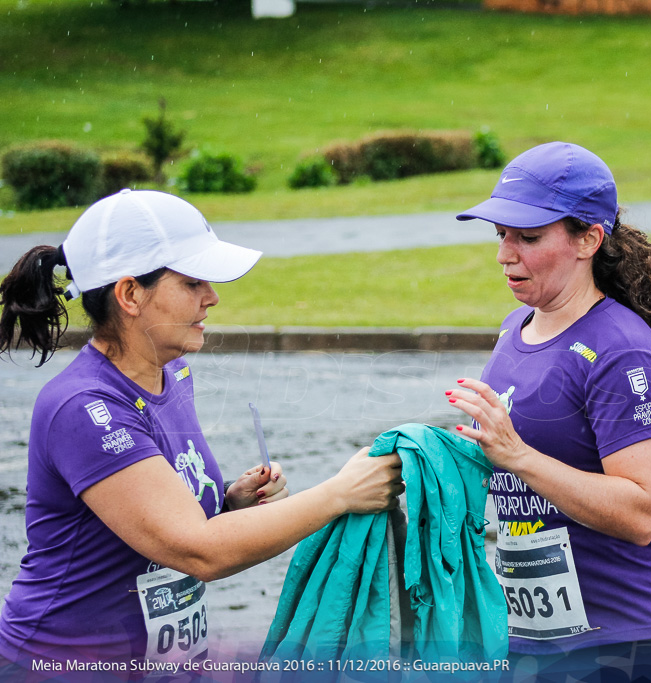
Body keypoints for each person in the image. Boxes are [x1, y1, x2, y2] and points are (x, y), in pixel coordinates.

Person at [0, 190, 404, 671]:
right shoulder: (84, 407)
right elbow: (198, 551)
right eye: (192, 282)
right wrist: (340, 494)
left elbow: (169, 518)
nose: (212, 297)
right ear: (130, 294)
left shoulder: (172, 375)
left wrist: (229, 503)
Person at [446, 142, 651, 681]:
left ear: (588, 239)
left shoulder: (621, 350)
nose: (506, 254)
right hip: (538, 636)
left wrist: (518, 456)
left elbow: (639, 512)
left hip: (637, 641)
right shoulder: (515, 328)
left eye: (528, 237)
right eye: (501, 234)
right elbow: (509, 459)